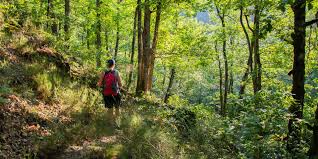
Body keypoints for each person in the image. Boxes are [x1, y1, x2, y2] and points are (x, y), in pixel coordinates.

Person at [97, 59, 122, 126]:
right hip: (116, 93)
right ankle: (118, 124)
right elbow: (120, 84)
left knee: (110, 108)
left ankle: (110, 124)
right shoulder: (116, 72)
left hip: (107, 93)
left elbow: (99, 84)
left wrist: (102, 85)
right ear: (114, 64)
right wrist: (118, 87)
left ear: (107, 65)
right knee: (117, 108)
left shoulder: (104, 72)